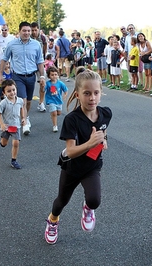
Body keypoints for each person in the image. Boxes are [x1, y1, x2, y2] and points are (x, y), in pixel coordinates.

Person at [44, 68, 112, 245]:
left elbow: (103, 131)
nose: (92, 98)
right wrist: (90, 143)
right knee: (61, 201)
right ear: (77, 95)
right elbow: (71, 151)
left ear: (101, 93)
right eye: (87, 93)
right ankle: (52, 221)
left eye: (96, 93)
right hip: (72, 168)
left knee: (94, 200)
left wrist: (103, 140)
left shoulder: (106, 113)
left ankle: (88, 209)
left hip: (92, 166)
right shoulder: (72, 119)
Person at [0, 21, 46, 136]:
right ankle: (24, 124)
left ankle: (25, 117)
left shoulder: (36, 45)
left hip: (31, 76)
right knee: (22, 100)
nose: (27, 33)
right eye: (24, 31)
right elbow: (4, 59)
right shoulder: (12, 44)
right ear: (19, 31)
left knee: (28, 101)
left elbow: (40, 61)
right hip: (17, 76)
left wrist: (42, 76)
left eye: (28, 31)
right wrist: (0, 74)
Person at [0, 79, 25, 169]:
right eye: (9, 91)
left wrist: (23, 117)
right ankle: (2, 141)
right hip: (6, 126)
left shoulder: (20, 100)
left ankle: (14, 160)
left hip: (16, 126)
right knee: (4, 143)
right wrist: (1, 124)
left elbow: (21, 108)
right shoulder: (3, 103)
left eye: (13, 90)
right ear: (4, 93)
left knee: (16, 143)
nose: (12, 93)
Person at [41, 66, 68, 132]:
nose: (54, 76)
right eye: (52, 75)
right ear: (49, 76)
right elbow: (43, 90)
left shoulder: (60, 83)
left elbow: (65, 90)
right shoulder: (48, 83)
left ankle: (53, 115)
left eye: (55, 74)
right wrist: (42, 86)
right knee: (54, 113)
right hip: (51, 101)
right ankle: (55, 126)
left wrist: (65, 95)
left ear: (58, 75)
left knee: (58, 113)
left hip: (58, 101)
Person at [31, 22, 48, 112]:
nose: (34, 32)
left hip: (39, 63)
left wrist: (44, 59)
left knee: (42, 83)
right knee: (29, 83)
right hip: (30, 64)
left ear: (38, 30)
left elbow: (45, 48)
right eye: (32, 30)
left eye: (35, 30)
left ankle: (41, 102)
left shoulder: (42, 38)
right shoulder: (28, 38)